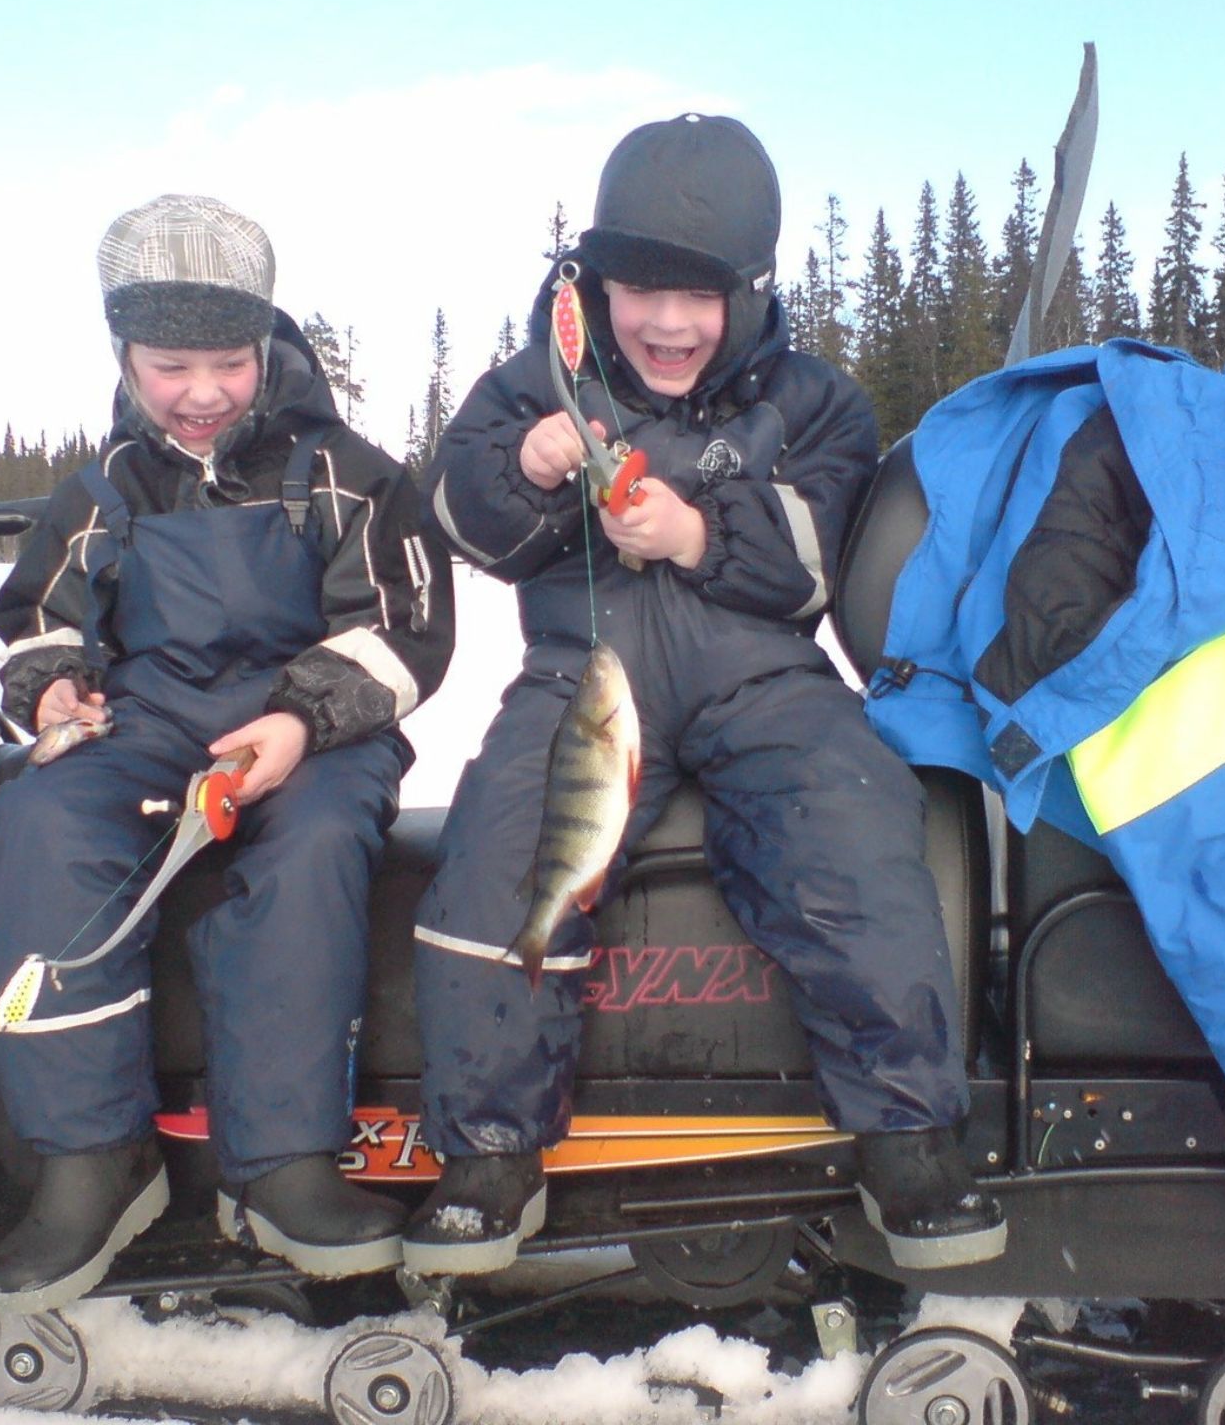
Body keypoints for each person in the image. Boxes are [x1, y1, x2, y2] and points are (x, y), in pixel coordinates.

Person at [408, 114, 1004, 1275]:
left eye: (704, 295)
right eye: (642, 289)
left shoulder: (817, 400)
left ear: (752, 289)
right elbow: (458, 515)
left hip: (763, 681)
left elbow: (815, 557)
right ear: (597, 280)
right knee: (495, 858)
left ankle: (910, 1132)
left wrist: (694, 531)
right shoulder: (540, 378)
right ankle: (488, 1150)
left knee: (858, 826)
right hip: (582, 681)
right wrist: (524, 469)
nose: (670, 323)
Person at [0, 194, 454, 1313]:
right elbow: (40, 616)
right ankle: (93, 1157)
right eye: (169, 366)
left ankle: (282, 1162)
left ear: (265, 347)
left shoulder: (343, 472)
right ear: (126, 358)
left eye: (228, 363)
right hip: (146, 723)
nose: (200, 394)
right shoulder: (105, 489)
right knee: (40, 819)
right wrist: (56, 690)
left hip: (316, 727)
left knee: (315, 839)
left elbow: (404, 630)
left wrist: (297, 720)